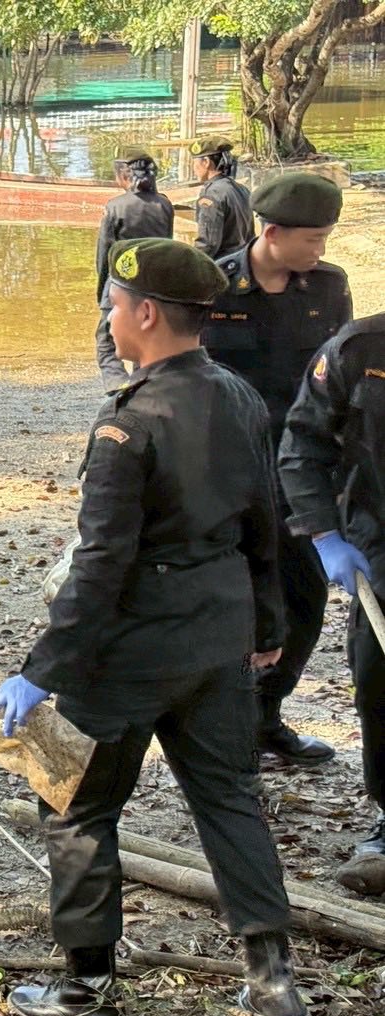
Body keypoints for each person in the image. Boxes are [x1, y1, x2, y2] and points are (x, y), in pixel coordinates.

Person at [0, 238, 309, 1016]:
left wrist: (39, 671)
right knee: (228, 798)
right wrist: (266, 625)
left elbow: (101, 564)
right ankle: (273, 983)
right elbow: (263, 519)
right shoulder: (237, 395)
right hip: (218, 630)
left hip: (129, 648)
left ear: (147, 314)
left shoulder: (126, 424)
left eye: (113, 308)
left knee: (73, 803)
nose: (108, 320)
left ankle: (86, 985)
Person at [202, 173, 352, 766]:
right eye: (312, 239)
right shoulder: (211, 285)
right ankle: (224, 728)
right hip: (226, 472)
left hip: (298, 471)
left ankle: (266, 717)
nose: (320, 250)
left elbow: (339, 379)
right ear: (272, 233)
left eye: (325, 238)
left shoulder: (330, 287)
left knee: (304, 601)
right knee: (233, 602)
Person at [279, 310, 385, 895]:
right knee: (378, 682)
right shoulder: (358, 350)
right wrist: (325, 536)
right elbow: (303, 444)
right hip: (381, 541)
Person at [95, 149, 174, 393]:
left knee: (106, 339)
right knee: (145, 335)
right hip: (153, 283)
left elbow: (105, 254)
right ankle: (142, 383)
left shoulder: (115, 207)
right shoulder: (165, 205)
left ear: (124, 175)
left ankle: (116, 383)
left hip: (121, 282)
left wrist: (102, 291)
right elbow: (167, 245)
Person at [189, 138, 252, 259]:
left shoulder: (211, 194)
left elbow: (207, 244)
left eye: (194, 162)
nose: (193, 168)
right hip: (241, 261)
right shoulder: (242, 189)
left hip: (222, 264)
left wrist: (192, 264)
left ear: (206, 162)